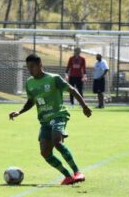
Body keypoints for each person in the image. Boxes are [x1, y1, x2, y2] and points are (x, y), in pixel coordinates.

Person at [9, 54, 92, 185]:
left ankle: (77, 172)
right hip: (44, 121)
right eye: (28, 67)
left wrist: (84, 106)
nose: (30, 69)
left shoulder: (54, 79)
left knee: (57, 142)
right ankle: (68, 176)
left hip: (58, 115)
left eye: (33, 66)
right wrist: (19, 112)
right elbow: (31, 101)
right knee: (45, 153)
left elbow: (72, 90)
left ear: (40, 65)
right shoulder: (29, 83)